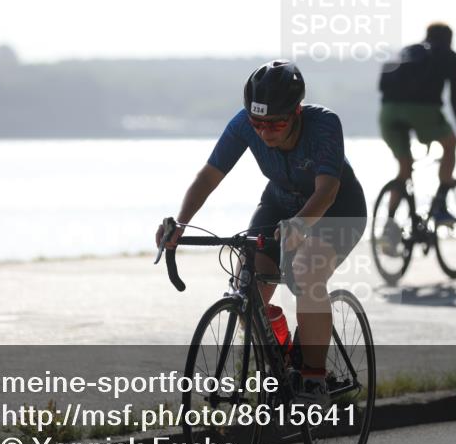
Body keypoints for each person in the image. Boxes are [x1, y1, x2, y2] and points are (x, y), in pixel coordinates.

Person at [156, 60, 366, 405]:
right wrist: (179, 223)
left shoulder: (324, 124)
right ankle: (281, 354)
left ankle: (314, 379)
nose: (265, 132)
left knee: (307, 271)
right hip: (280, 204)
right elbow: (208, 177)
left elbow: (326, 191)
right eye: (257, 123)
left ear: (296, 112)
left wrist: (300, 225)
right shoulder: (243, 125)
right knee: (247, 287)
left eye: (276, 123)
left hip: (337, 211)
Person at [378, 22, 456, 232]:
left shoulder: (407, 52)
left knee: (404, 169)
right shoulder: (450, 57)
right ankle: (440, 208)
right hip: (423, 111)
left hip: (388, 112)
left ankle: (388, 228)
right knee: (450, 143)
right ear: (449, 40)